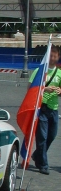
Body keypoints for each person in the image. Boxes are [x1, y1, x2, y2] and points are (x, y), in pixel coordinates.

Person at [30, 45, 61, 175]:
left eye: (55, 56)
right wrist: (44, 89)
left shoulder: (59, 73)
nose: (53, 58)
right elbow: (31, 88)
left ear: (58, 57)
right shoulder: (39, 71)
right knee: (42, 137)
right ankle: (43, 164)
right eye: (51, 56)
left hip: (54, 108)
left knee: (52, 136)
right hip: (41, 107)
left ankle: (37, 155)